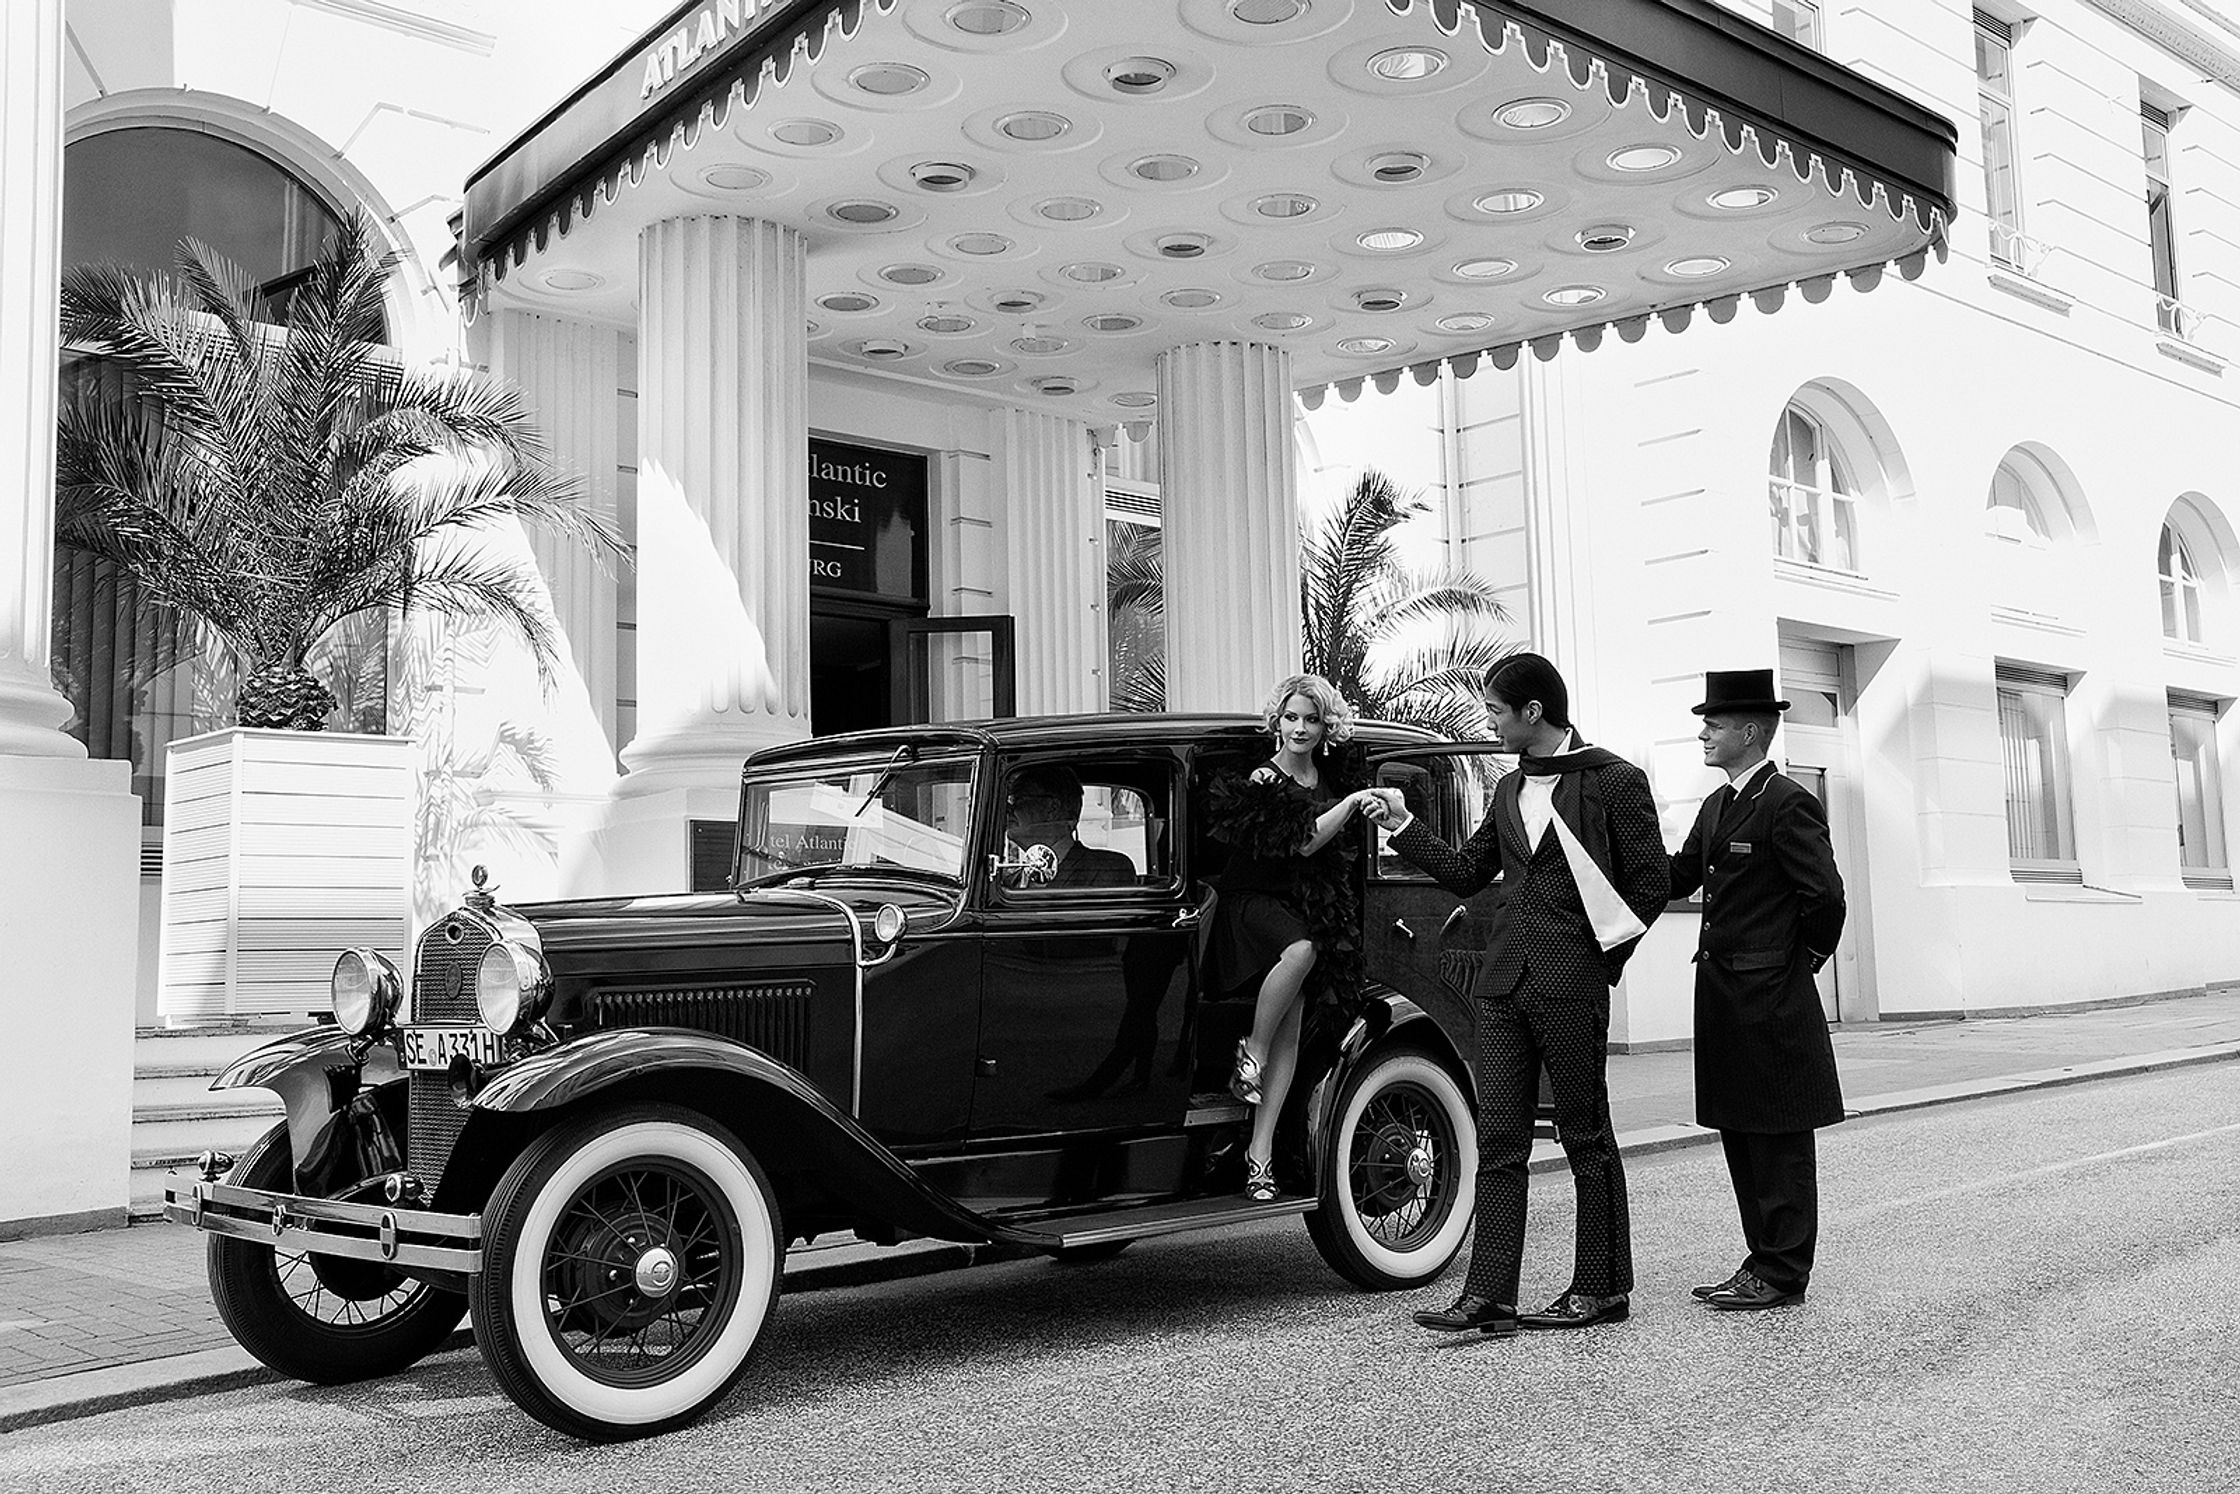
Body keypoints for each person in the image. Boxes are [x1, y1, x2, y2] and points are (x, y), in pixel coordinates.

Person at [1364, 652, 1668, 1338]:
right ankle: (1489, 1298)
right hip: (1503, 987)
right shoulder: (1508, 791)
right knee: (1499, 1139)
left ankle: (1601, 1288)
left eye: (1498, 710)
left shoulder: (1615, 781)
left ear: (1533, 711)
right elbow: (1468, 873)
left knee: (1585, 1136)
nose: (1490, 721)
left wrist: (1599, 963)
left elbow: (1650, 885)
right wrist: (1402, 824)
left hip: (1571, 985)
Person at [1667, 669, 1847, 1312]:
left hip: (1771, 999)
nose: (1704, 733)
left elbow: (1824, 898)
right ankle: (1760, 1262)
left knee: (1779, 1137)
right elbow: (1678, 875)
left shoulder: (1787, 800)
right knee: (1742, 1133)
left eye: (1714, 724)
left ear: (1750, 731)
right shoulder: (1718, 805)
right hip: (1723, 998)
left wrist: (1797, 966)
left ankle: (1783, 1270)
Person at [1203, 674, 1381, 1203]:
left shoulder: (1329, 776)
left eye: (1311, 719)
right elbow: (1302, 843)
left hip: (1300, 907)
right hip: (1251, 903)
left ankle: (1260, 1157)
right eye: (1291, 717)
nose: (1300, 728)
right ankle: (1249, 1055)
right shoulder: (1264, 777)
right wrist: (1352, 803)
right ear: (1276, 721)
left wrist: (1374, 800)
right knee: (1302, 950)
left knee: (1294, 1027)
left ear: (1327, 726)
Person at [1003, 766, 1137, 889]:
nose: (1008, 810)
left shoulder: (1108, 869)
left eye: (1017, 800)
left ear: (1052, 808)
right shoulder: (1010, 883)